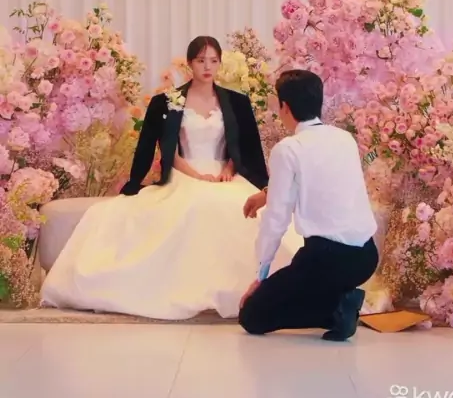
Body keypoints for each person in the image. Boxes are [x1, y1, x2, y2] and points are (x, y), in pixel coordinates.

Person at [40, 37, 303, 320]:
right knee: (191, 207)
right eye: (201, 60)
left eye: (213, 61)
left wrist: (229, 169)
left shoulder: (235, 101)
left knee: (243, 211)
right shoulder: (168, 101)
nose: (207, 67)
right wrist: (195, 175)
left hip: (224, 176)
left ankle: (259, 287)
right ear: (189, 63)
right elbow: (168, 150)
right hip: (184, 173)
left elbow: (241, 144)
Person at [238, 69, 379, 341]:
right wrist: (267, 193)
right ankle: (340, 300)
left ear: (285, 107)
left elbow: (276, 220)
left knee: (251, 317)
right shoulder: (344, 139)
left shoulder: (288, 149)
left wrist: (261, 275)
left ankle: (335, 310)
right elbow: (322, 181)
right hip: (366, 257)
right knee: (308, 284)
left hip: (325, 259)